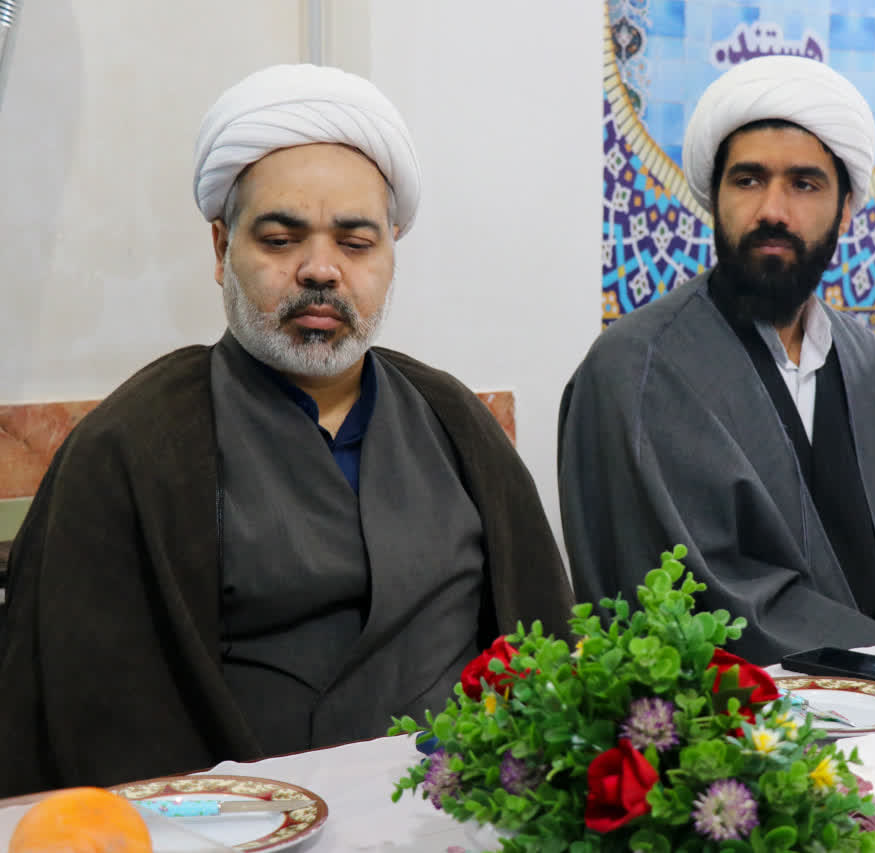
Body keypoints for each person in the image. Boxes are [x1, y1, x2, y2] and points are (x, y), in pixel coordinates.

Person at [0, 64, 571, 795]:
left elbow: (545, 652)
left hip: (460, 814)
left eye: (356, 243)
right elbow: (89, 722)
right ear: (220, 249)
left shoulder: (454, 422)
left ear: (391, 254)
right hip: (237, 828)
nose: (321, 270)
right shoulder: (131, 448)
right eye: (280, 239)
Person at [558, 56, 875, 665]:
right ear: (715, 198)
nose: (772, 210)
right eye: (748, 180)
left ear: (846, 206)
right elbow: (697, 604)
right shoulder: (636, 369)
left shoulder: (868, 362)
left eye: (804, 184)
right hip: (747, 713)